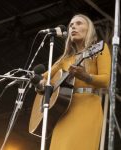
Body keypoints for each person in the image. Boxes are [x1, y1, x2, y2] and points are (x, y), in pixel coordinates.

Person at [35, 14, 111, 150]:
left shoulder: (99, 50)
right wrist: (38, 84)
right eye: (71, 25)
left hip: (87, 110)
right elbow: (43, 79)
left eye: (79, 23)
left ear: (89, 30)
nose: (73, 27)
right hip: (63, 112)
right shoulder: (64, 60)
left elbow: (106, 80)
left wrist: (86, 76)